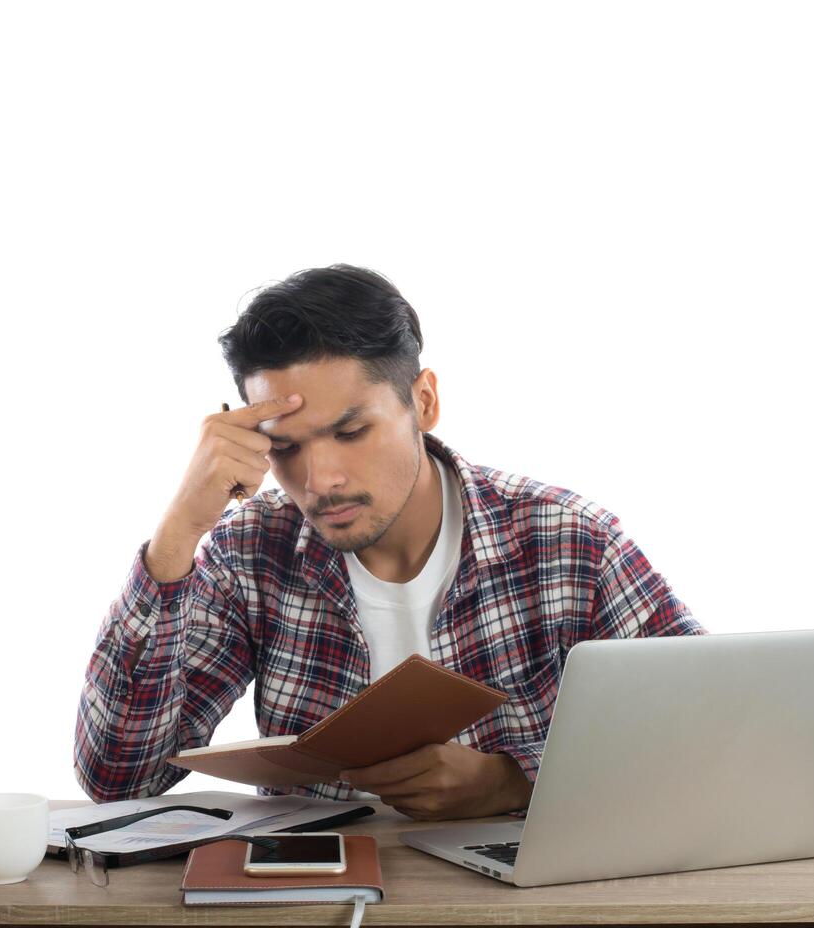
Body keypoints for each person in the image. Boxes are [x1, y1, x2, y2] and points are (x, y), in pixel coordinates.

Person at [74, 264, 706, 821]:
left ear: (423, 401)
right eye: (286, 447)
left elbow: (705, 734)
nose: (321, 481)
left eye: (351, 432)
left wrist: (515, 782)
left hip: (518, 916)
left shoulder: (570, 541)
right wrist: (178, 533)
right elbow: (120, 778)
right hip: (314, 916)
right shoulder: (248, 552)